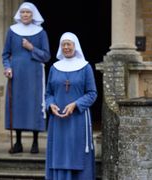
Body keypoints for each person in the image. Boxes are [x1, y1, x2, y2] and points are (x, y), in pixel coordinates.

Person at [45, 32, 97, 179]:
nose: (66, 47)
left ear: (75, 46)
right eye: (63, 44)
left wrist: (76, 104)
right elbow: (48, 93)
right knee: (59, 152)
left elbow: (92, 93)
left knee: (77, 151)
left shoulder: (85, 67)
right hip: (58, 120)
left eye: (69, 44)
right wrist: (51, 105)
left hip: (78, 119)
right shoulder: (54, 68)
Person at [2, 2, 51, 154]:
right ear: (19, 14)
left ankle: (35, 142)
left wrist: (31, 48)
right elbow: (5, 54)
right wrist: (7, 67)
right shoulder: (12, 31)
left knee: (34, 104)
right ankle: (18, 142)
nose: (25, 15)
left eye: (28, 13)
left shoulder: (40, 32)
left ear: (33, 15)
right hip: (16, 74)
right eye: (22, 12)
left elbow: (46, 55)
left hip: (34, 74)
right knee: (17, 105)